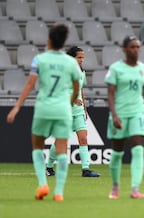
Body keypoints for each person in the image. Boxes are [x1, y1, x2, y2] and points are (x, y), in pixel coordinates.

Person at [6, 24, 80, 202]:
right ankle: (59, 192)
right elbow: (76, 90)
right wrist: (68, 104)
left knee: (37, 147)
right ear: (63, 42)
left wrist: (16, 107)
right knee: (62, 150)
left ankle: (42, 184)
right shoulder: (71, 62)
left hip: (44, 108)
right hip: (63, 109)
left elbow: (30, 84)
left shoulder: (40, 59)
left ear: (49, 39)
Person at [46, 46, 100, 178]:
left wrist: (85, 108)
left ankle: (85, 169)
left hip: (79, 111)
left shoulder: (82, 72)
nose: (81, 60)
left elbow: (81, 90)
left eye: (83, 57)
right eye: (79, 57)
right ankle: (49, 167)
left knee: (83, 139)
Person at [106, 35, 144, 200]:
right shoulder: (116, 69)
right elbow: (110, 94)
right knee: (117, 152)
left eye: (138, 47)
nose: (135, 50)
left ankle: (135, 189)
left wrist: (139, 107)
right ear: (124, 49)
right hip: (120, 114)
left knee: (138, 150)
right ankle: (115, 186)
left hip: (138, 112)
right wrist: (114, 115)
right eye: (132, 47)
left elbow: (141, 92)